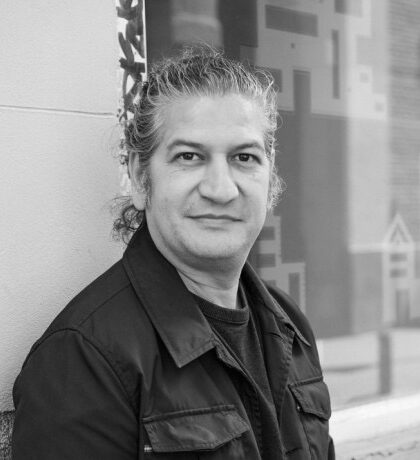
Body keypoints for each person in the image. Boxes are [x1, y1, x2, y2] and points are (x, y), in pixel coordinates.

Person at [12, 47, 334, 459]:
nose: (221, 189)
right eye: (189, 156)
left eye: (244, 157)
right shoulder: (85, 358)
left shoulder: (291, 328)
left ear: (270, 180)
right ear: (140, 177)